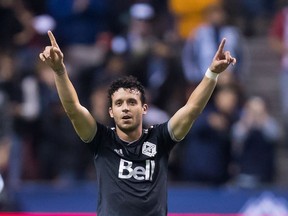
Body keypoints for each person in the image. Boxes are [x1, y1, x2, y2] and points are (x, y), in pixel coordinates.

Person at [39, 30, 236, 216]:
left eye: (132, 102)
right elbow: (73, 109)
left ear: (144, 108)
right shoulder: (101, 140)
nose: (125, 108)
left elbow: (192, 109)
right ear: (111, 111)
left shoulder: (160, 139)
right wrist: (59, 70)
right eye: (119, 103)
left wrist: (212, 73)